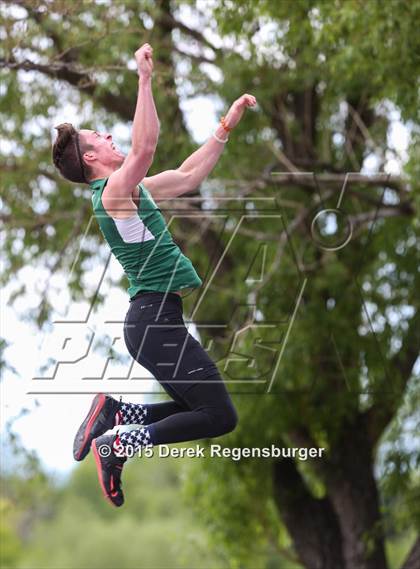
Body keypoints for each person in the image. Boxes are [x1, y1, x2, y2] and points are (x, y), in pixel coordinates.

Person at [52, 42, 257, 507]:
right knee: (218, 415)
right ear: (91, 159)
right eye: (99, 137)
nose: (108, 135)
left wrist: (225, 126)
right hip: (151, 322)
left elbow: (186, 177)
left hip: (155, 321)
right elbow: (145, 146)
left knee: (199, 410)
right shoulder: (112, 194)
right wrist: (143, 79)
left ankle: (116, 414)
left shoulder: (133, 189)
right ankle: (118, 442)